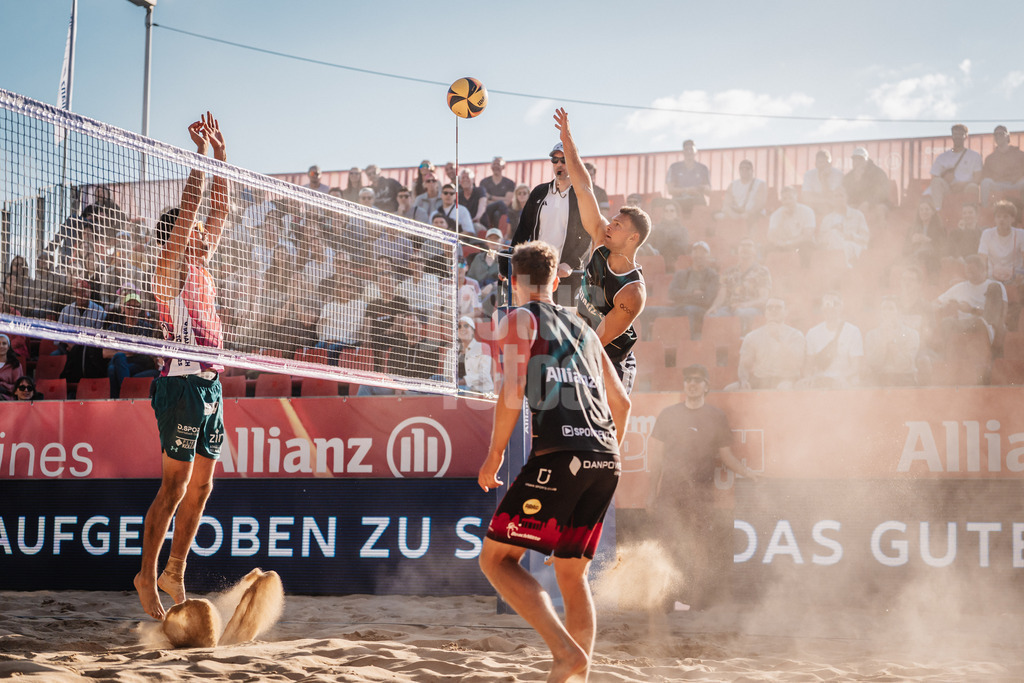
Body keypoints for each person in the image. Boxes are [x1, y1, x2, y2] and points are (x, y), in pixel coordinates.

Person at [477, 240, 631, 683]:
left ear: (511, 280)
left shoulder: (517, 319)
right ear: (556, 278)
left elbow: (510, 393)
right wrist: (602, 451)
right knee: (571, 573)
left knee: (496, 561)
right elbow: (621, 403)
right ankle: (573, 676)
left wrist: (495, 454)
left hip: (562, 455)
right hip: (606, 456)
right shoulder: (584, 327)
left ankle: (567, 654)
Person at [134, 112, 229, 621]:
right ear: (177, 236)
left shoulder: (201, 263)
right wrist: (196, 158)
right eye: (193, 233)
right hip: (181, 385)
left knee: (203, 485)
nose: (203, 236)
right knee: (172, 487)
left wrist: (221, 155)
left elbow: (219, 211)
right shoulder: (167, 269)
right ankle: (146, 575)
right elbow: (195, 206)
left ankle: (175, 568)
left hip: (210, 386)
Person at [647, 363, 759, 611]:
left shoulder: (716, 416)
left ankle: (696, 602)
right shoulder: (668, 414)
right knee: (668, 546)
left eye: (698, 380)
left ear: (706, 386)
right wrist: (651, 494)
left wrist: (747, 473)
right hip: (671, 493)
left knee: (699, 548)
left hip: (701, 493)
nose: (692, 384)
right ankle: (666, 600)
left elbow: (727, 457)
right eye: (688, 380)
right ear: (684, 385)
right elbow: (656, 459)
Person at [555, 107, 651, 392]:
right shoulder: (600, 240)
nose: (609, 225)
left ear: (633, 238)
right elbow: (584, 187)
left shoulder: (632, 292)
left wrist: (566, 360)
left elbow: (599, 338)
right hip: (583, 343)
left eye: (618, 225)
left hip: (611, 357)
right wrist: (568, 140)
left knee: (608, 424)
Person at [506, 142, 593, 306]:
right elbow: (523, 231)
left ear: (575, 162)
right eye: (555, 160)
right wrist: (509, 264)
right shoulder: (539, 192)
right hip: (536, 273)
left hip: (566, 276)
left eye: (564, 160)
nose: (559, 164)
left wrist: (571, 262)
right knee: (534, 323)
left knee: (565, 326)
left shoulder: (581, 195)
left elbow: (588, 234)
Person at [934, 254, 1007, 356]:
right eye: (967, 270)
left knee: (979, 321)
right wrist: (947, 306)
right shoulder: (959, 287)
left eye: (972, 271)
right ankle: (944, 356)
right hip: (963, 325)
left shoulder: (995, 287)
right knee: (947, 322)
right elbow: (937, 302)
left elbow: (997, 317)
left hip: (984, 325)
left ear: (982, 270)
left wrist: (971, 309)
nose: (969, 274)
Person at [730, 297, 805, 390]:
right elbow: (744, 365)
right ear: (765, 312)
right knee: (730, 389)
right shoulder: (752, 336)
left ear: (786, 312)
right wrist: (743, 380)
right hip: (760, 379)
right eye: (769, 307)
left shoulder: (795, 335)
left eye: (778, 307)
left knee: (783, 388)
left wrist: (778, 338)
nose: (773, 310)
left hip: (786, 378)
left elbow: (796, 363)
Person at [648, 240, 718, 340]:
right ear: (691, 255)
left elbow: (707, 299)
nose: (699, 255)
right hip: (678, 309)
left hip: (698, 311)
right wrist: (692, 293)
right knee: (646, 311)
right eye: (696, 252)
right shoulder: (681, 274)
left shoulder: (712, 276)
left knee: (688, 310)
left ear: (708, 256)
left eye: (702, 253)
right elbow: (672, 294)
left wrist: (683, 296)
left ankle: (688, 345)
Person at [706, 238, 772, 333]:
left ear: (755, 251)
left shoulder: (762, 271)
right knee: (711, 316)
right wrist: (715, 306)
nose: (745, 248)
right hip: (731, 308)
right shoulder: (729, 272)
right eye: (742, 245)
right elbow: (722, 294)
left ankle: (741, 341)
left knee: (741, 313)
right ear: (738, 250)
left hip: (752, 309)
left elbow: (763, 298)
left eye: (749, 245)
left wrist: (745, 305)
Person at [800, 291, 863, 389]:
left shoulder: (853, 331)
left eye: (835, 304)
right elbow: (808, 365)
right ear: (822, 308)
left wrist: (841, 378)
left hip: (844, 380)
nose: (831, 308)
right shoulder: (812, 333)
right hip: (820, 381)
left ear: (841, 307)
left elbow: (855, 366)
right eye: (827, 304)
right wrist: (809, 378)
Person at [103, 292, 161, 398]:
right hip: (122, 364)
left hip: (139, 365)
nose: (132, 310)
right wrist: (125, 352)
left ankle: (119, 398)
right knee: (118, 359)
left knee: (113, 369)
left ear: (139, 310)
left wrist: (129, 351)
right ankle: (127, 393)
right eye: (129, 307)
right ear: (123, 308)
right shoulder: (115, 328)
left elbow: (149, 352)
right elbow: (105, 353)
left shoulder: (146, 328)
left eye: (136, 307)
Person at [863, 296, 920, 387]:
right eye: (884, 309)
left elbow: (906, 365)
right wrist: (883, 343)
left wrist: (892, 342)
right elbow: (873, 364)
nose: (887, 312)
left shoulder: (912, 334)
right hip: (879, 380)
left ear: (899, 312)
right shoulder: (871, 335)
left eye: (891, 308)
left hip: (904, 379)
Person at [925, 123, 982, 211]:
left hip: (966, 187)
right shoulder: (942, 157)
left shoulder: (975, 156)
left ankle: (972, 213)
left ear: (966, 136)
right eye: (955, 134)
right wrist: (945, 179)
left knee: (973, 187)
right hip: (948, 188)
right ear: (952, 136)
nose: (958, 137)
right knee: (936, 182)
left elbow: (977, 179)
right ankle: (937, 212)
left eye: (960, 134)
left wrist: (962, 184)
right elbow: (934, 177)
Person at [816, 187, 870, 268]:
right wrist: (833, 231)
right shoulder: (827, 219)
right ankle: (844, 265)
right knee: (833, 233)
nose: (839, 199)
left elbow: (865, 238)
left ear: (846, 197)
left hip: (854, 247)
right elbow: (821, 240)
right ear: (832, 199)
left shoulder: (857, 215)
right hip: (833, 249)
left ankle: (842, 266)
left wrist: (851, 236)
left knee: (845, 245)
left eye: (841, 196)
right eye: (836, 196)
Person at [767, 185, 816, 266]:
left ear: (796, 197)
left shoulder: (807, 211)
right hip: (783, 244)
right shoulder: (776, 215)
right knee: (768, 249)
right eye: (785, 199)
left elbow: (807, 235)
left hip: (802, 243)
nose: (788, 201)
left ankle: (805, 273)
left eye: (790, 198)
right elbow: (770, 236)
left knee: (806, 247)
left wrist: (790, 243)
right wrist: (782, 220)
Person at [843, 147, 891, 223]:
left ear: (867, 160)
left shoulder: (878, 173)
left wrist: (868, 203)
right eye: (855, 159)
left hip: (878, 203)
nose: (857, 162)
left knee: (880, 210)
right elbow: (846, 193)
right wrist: (856, 181)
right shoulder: (849, 177)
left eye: (861, 159)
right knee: (848, 210)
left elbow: (882, 193)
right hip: (857, 204)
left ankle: (881, 233)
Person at [980, 125, 1024, 207]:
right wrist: (996, 178)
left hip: (1016, 183)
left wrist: (1018, 177)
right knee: (985, 182)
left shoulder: (1019, 154)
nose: (998, 136)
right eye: (996, 134)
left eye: (1001, 133)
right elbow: (985, 175)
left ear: (1008, 137)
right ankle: (984, 208)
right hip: (998, 185)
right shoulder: (990, 158)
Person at [718, 159, 767, 232]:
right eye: (742, 168)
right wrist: (733, 215)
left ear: (752, 170)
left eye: (747, 168)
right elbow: (726, 204)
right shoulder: (732, 185)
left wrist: (747, 214)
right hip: (735, 213)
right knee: (717, 216)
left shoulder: (760, 184)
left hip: (753, 214)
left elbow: (759, 204)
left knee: (752, 219)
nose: (744, 170)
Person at [664, 139, 711, 214]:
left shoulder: (703, 168)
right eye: (686, 149)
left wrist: (701, 188)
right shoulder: (674, 167)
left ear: (696, 152)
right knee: (671, 208)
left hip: (698, 201)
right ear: (683, 152)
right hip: (679, 201)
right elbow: (670, 190)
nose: (689, 152)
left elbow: (709, 191)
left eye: (691, 149)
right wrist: (687, 190)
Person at [903, 198, 946, 278]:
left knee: (930, 261)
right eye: (921, 210)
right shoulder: (912, 229)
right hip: (914, 256)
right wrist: (912, 242)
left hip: (931, 258)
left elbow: (943, 247)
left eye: (927, 209)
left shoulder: (939, 229)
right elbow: (905, 250)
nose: (924, 212)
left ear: (932, 212)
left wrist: (927, 240)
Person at [801, 150, 844, 218]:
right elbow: (806, 197)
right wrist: (825, 200)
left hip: (831, 206)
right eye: (820, 162)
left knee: (827, 206)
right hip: (816, 205)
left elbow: (832, 196)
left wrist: (824, 180)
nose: (823, 165)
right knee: (808, 205)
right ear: (816, 164)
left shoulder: (838, 174)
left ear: (830, 164)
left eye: (826, 162)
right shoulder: (809, 174)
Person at [456, 316, 493, 393]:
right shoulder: (452, 351)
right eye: (459, 326)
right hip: (457, 388)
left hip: (477, 390)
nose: (462, 328)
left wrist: (462, 381)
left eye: (466, 326)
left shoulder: (483, 347)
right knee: (436, 378)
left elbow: (484, 376)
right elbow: (447, 375)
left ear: (473, 331)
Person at [0, 334, 22, 399]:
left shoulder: (15, 364)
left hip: (7, 396)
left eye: (4, 344)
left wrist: (3, 385)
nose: (1, 346)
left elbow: (18, 386)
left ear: (8, 347)